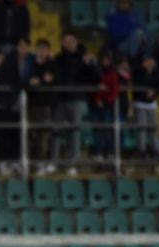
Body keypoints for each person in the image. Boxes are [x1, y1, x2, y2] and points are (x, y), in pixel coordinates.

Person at [50, 33, 99, 175]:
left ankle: (72, 164)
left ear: (76, 41)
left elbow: (97, 77)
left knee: (75, 132)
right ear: (62, 43)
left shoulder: (85, 57)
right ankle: (53, 162)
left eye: (71, 40)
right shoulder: (59, 59)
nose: (68, 43)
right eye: (65, 41)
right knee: (55, 131)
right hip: (61, 99)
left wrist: (91, 64)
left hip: (78, 99)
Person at [28, 39, 57, 172]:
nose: (42, 51)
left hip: (45, 105)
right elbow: (28, 81)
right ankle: (27, 162)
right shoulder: (29, 64)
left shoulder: (52, 65)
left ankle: (40, 163)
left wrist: (39, 81)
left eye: (45, 49)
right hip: (29, 104)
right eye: (40, 48)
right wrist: (41, 80)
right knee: (27, 135)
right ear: (36, 50)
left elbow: (52, 81)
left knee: (43, 136)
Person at [133, 55, 159, 159]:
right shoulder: (137, 72)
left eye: (150, 61)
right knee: (142, 128)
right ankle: (142, 150)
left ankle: (156, 150)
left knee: (153, 128)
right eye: (146, 61)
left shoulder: (156, 73)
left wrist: (153, 91)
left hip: (152, 104)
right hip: (140, 103)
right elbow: (137, 84)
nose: (149, 63)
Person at [92, 51, 120, 161]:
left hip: (107, 106)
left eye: (106, 59)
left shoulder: (112, 73)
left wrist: (106, 101)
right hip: (97, 104)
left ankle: (110, 152)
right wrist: (97, 99)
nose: (104, 61)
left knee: (108, 129)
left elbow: (115, 90)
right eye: (103, 59)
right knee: (98, 130)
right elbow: (95, 87)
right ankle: (99, 152)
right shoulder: (96, 71)